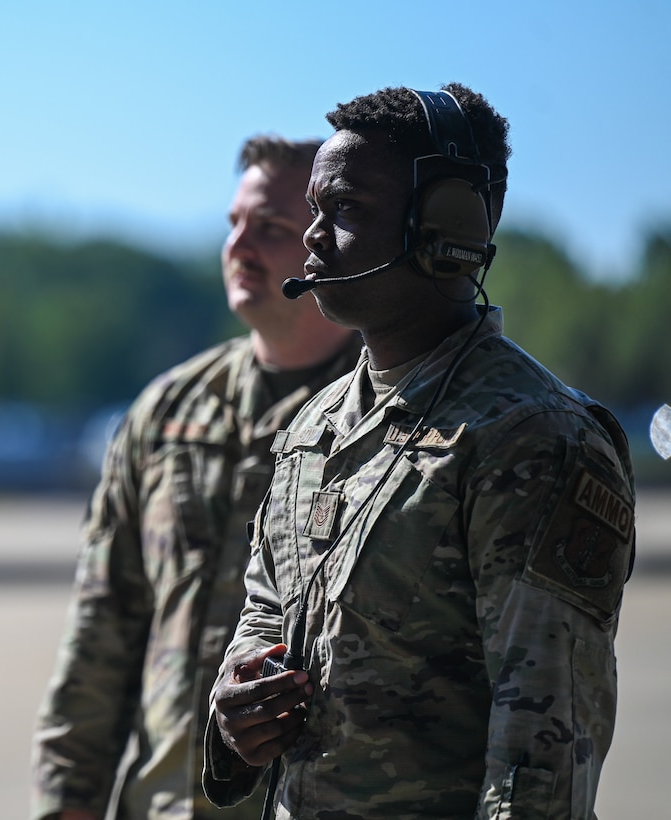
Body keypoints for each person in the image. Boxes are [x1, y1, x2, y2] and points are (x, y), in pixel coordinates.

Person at [204, 84, 636, 818]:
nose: (312, 237)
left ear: (446, 231)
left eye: (344, 210)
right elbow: (265, 612)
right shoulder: (313, 427)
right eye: (315, 210)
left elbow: (541, 746)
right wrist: (234, 711)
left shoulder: (531, 437)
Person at [31, 135, 362, 820]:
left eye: (269, 228)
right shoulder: (168, 413)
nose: (237, 247)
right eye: (233, 224)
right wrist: (67, 801)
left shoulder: (391, 415)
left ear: (328, 242)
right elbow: (103, 631)